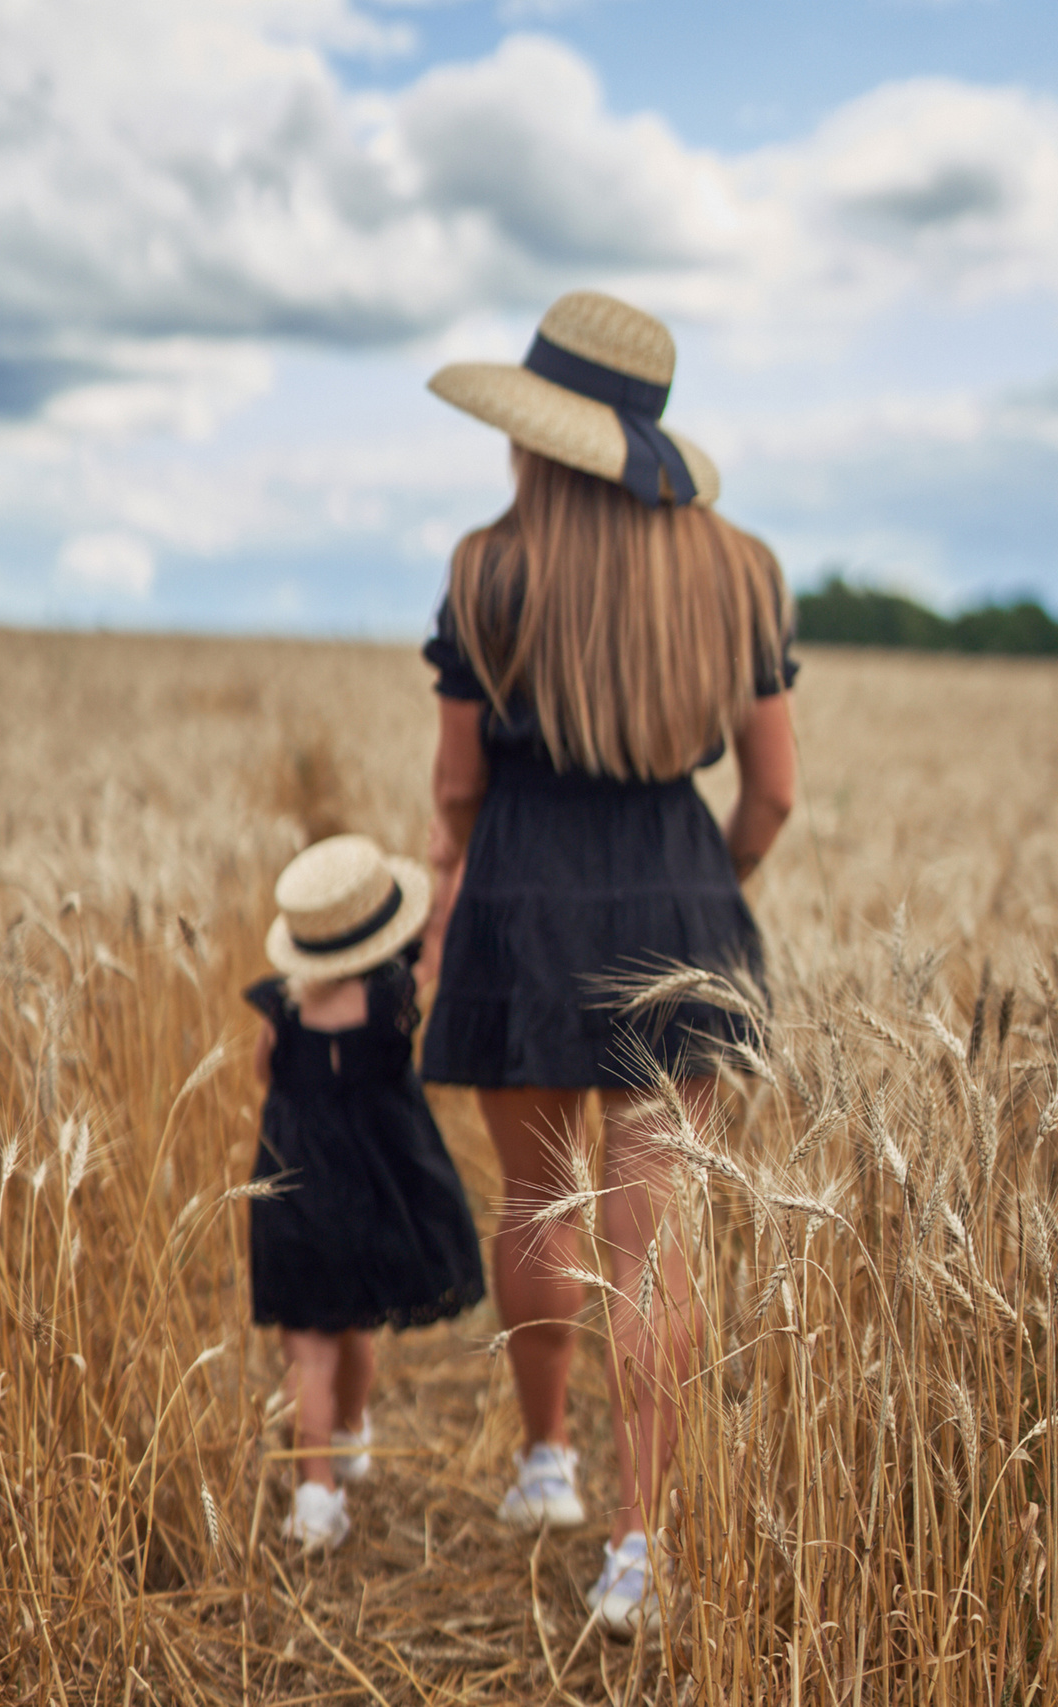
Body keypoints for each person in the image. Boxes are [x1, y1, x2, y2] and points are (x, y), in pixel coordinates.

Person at [417, 290, 798, 1637]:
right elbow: (772, 794)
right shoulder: (741, 569)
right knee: (652, 1242)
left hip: (522, 896)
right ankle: (641, 1544)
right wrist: (703, 887)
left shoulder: (487, 569)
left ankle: (546, 1466)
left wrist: (457, 883)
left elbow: (458, 786)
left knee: (536, 1197)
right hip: (681, 902)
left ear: (540, 434)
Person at [246, 834, 488, 1553]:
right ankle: (351, 1432)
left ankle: (315, 1492)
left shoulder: (280, 1006)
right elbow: (439, 947)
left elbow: (265, 1071)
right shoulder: (394, 995)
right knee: (355, 1323)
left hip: (296, 1183)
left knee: (308, 1347)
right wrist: (447, 874)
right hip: (376, 1185)